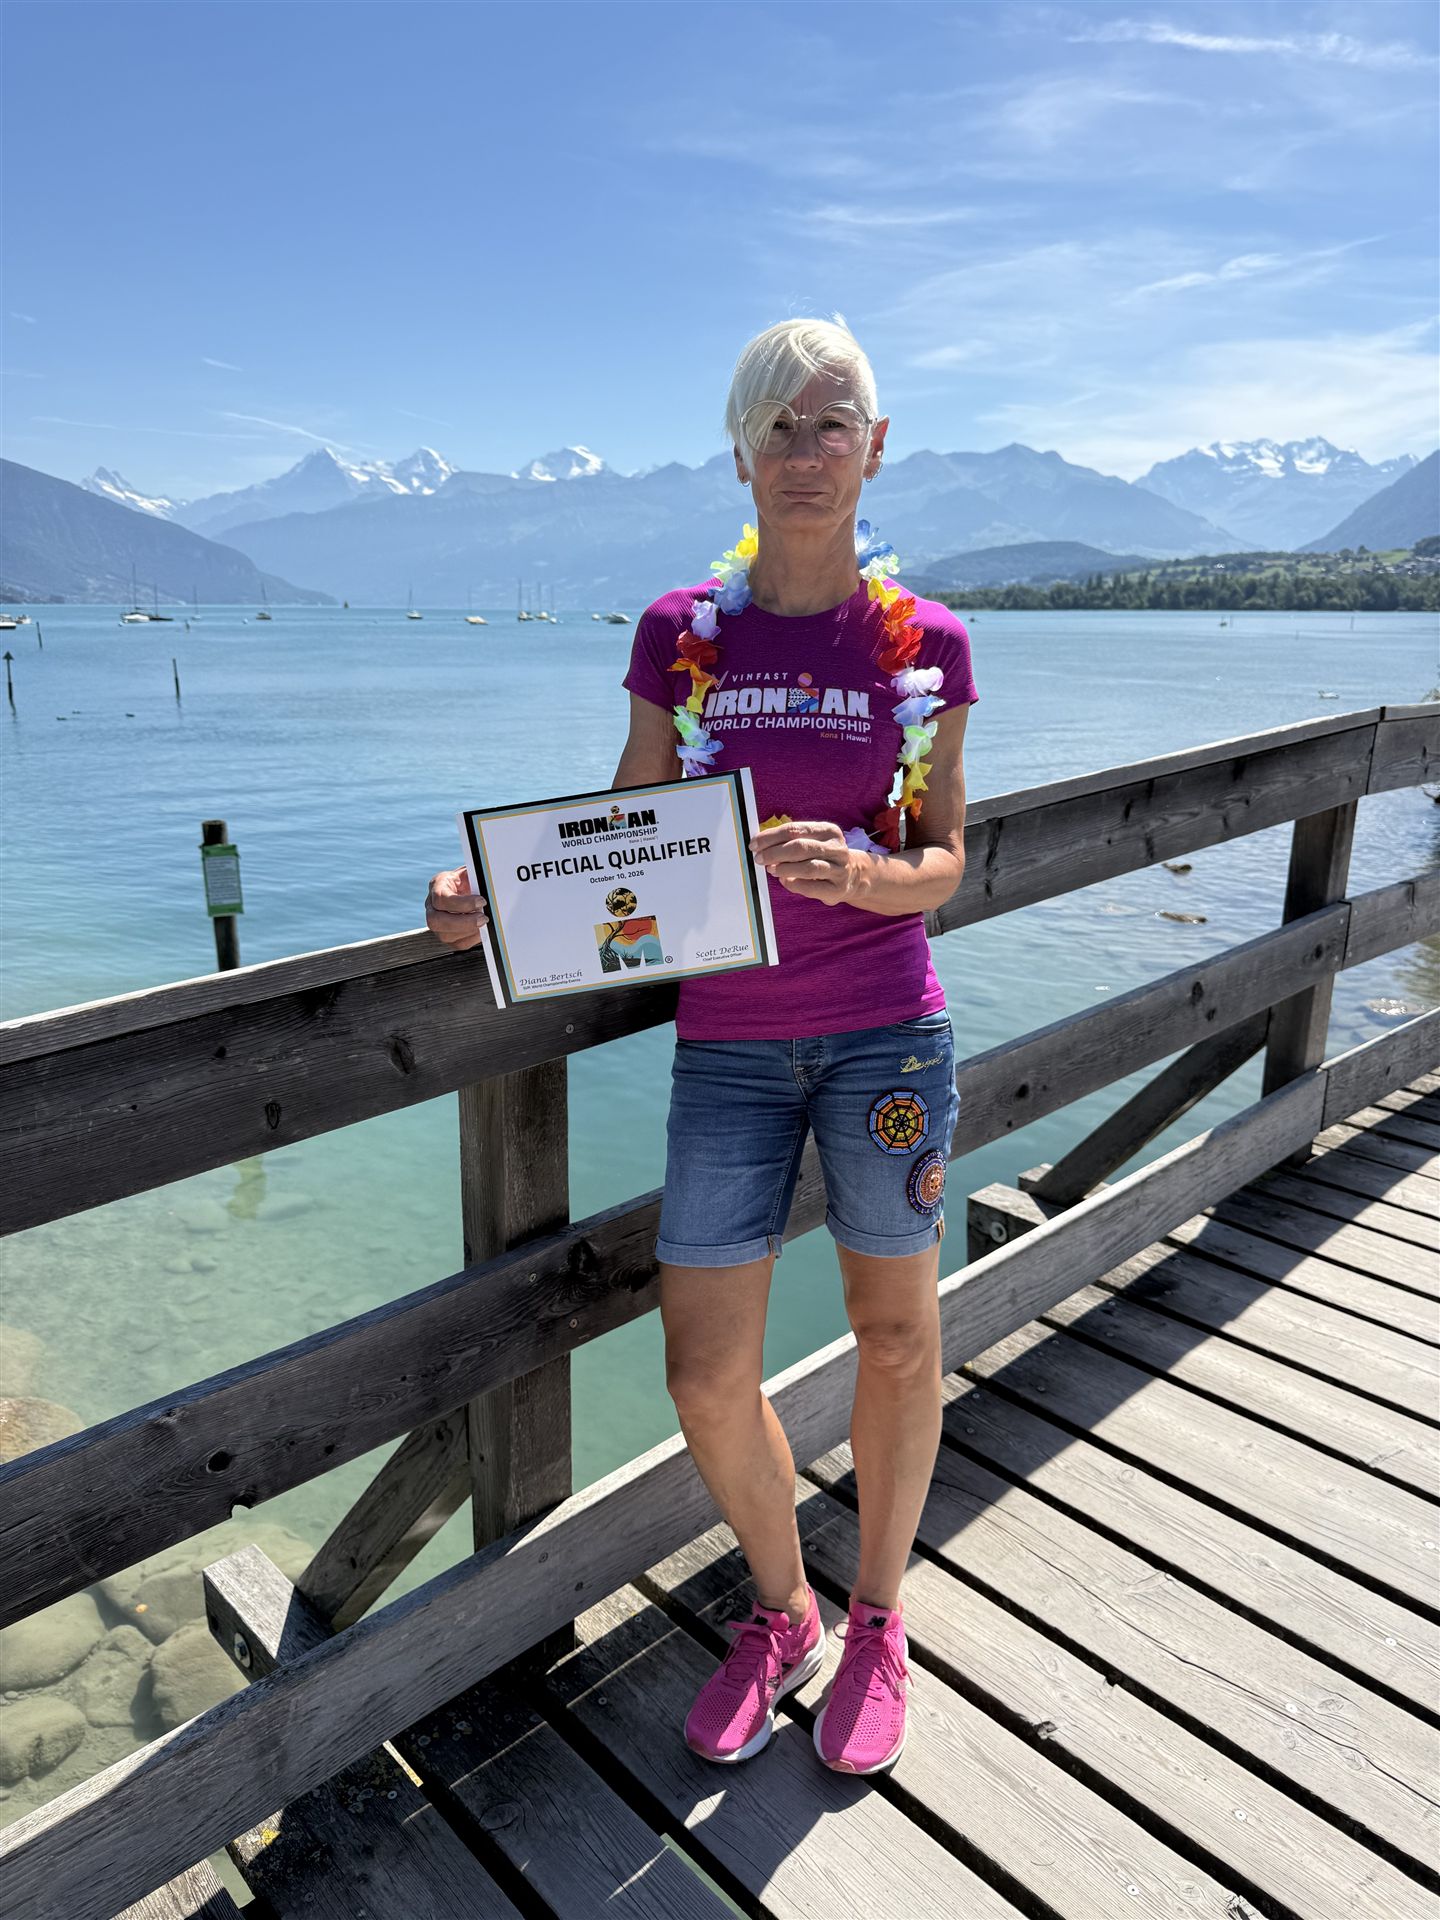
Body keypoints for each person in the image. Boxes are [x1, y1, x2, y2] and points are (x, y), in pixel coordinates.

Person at [425, 316, 978, 1779]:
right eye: (776, 427)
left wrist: (866, 872)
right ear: (740, 454)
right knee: (702, 1374)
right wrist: (494, 900)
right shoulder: (682, 634)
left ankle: (879, 1622)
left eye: (831, 423)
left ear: (876, 447)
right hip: (729, 1044)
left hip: (887, 1037)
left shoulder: (927, 646)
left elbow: (946, 857)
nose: (805, 452)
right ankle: (784, 1611)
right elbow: (622, 832)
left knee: (897, 1337)